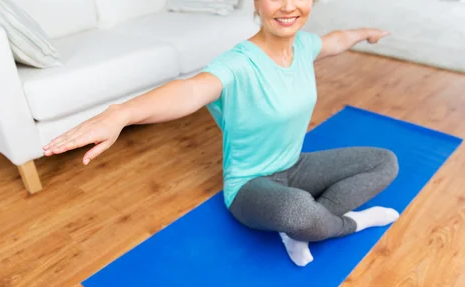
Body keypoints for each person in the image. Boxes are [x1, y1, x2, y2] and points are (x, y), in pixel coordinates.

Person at [42, 0, 400, 267]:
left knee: (385, 162)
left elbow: (335, 40)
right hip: (250, 186)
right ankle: (345, 224)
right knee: (297, 210)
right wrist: (122, 113)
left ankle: (309, 226)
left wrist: (364, 34)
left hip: (295, 165)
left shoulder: (304, 46)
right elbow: (192, 90)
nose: (288, 6)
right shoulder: (238, 63)